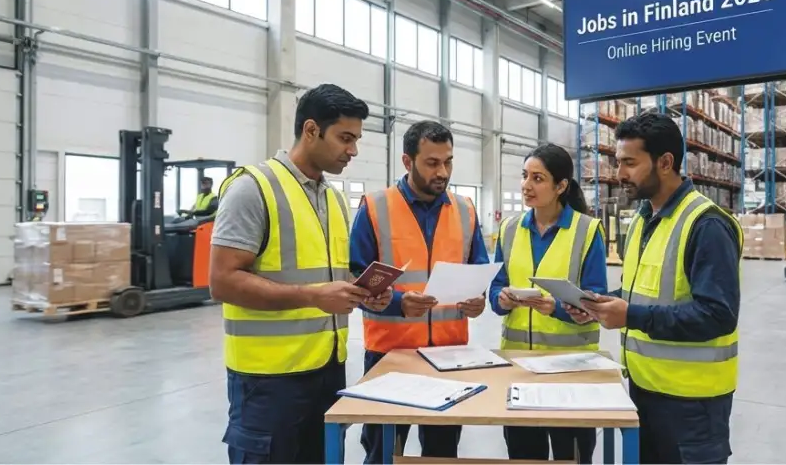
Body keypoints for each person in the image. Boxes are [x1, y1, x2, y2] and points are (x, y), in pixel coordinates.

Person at [208, 84, 391, 464]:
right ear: (311, 130)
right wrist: (313, 296)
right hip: (268, 381)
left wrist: (366, 294)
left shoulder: (333, 198)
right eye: (345, 138)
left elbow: (331, 274)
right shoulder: (253, 189)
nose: (353, 150)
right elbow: (222, 281)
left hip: (327, 370)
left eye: (356, 139)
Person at [568, 111, 742, 465]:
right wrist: (599, 304)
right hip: (645, 390)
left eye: (630, 163)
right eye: (618, 162)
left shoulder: (706, 225)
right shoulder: (643, 221)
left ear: (665, 163)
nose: (619, 175)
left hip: (693, 404)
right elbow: (639, 294)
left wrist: (630, 315)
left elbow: (718, 315)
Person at [350, 120, 489, 464]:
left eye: (448, 162)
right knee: (383, 451)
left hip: (450, 355)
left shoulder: (465, 209)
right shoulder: (374, 207)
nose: (443, 171)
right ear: (407, 161)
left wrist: (478, 300)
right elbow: (359, 278)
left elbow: (479, 268)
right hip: (389, 354)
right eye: (432, 163)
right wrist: (398, 302)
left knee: (442, 453)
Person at [488, 143, 607, 464]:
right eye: (525, 176)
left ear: (561, 186)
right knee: (524, 454)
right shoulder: (509, 229)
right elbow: (496, 285)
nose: (527, 185)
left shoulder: (587, 231)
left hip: (570, 369)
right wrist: (499, 298)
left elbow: (596, 297)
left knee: (572, 455)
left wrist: (553, 307)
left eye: (538, 178)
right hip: (519, 367)